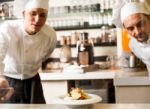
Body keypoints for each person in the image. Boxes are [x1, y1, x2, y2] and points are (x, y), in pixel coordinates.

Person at [0, 0, 57, 103]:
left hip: (34, 82)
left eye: (43, 15)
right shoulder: (8, 29)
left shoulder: (50, 34)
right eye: (33, 13)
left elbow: (46, 54)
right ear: (23, 14)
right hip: (9, 82)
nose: (37, 19)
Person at [112, 0, 150, 73]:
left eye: (140, 24)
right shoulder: (133, 45)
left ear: (149, 18)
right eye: (130, 28)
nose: (137, 32)